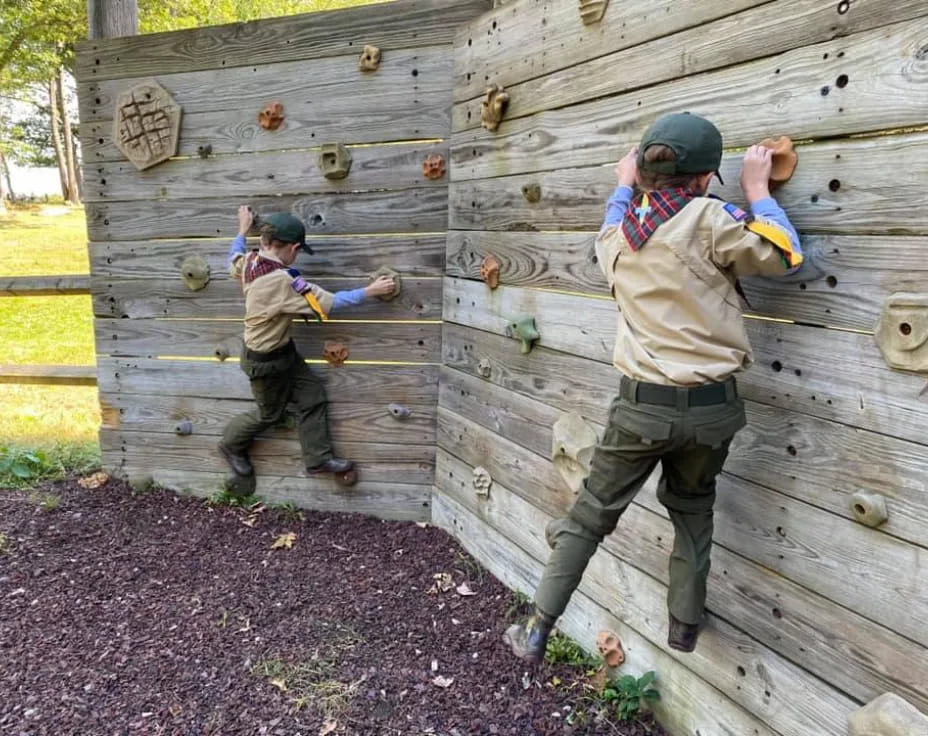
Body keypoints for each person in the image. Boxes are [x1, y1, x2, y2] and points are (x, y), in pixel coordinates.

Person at [504, 113, 803, 661]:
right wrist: (758, 190)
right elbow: (783, 252)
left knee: (591, 514)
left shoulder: (617, 239)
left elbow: (612, 219)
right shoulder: (713, 219)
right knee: (693, 510)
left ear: (641, 172)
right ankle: (684, 628)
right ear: (708, 177)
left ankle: (537, 628)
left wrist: (622, 185)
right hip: (713, 412)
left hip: (641, 410)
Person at [218, 206, 395, 480]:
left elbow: (233, 258)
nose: (297, 256)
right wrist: (370, 291)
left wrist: (242, 229)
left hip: (284, 352)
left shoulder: (251, 261)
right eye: (298, 251)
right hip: (263, 363)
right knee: (269, 415)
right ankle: (230, 445)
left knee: (312, 395)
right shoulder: (281, 281)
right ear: (293, 248)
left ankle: (318, 459)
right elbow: (332, 303)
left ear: (263, 241)